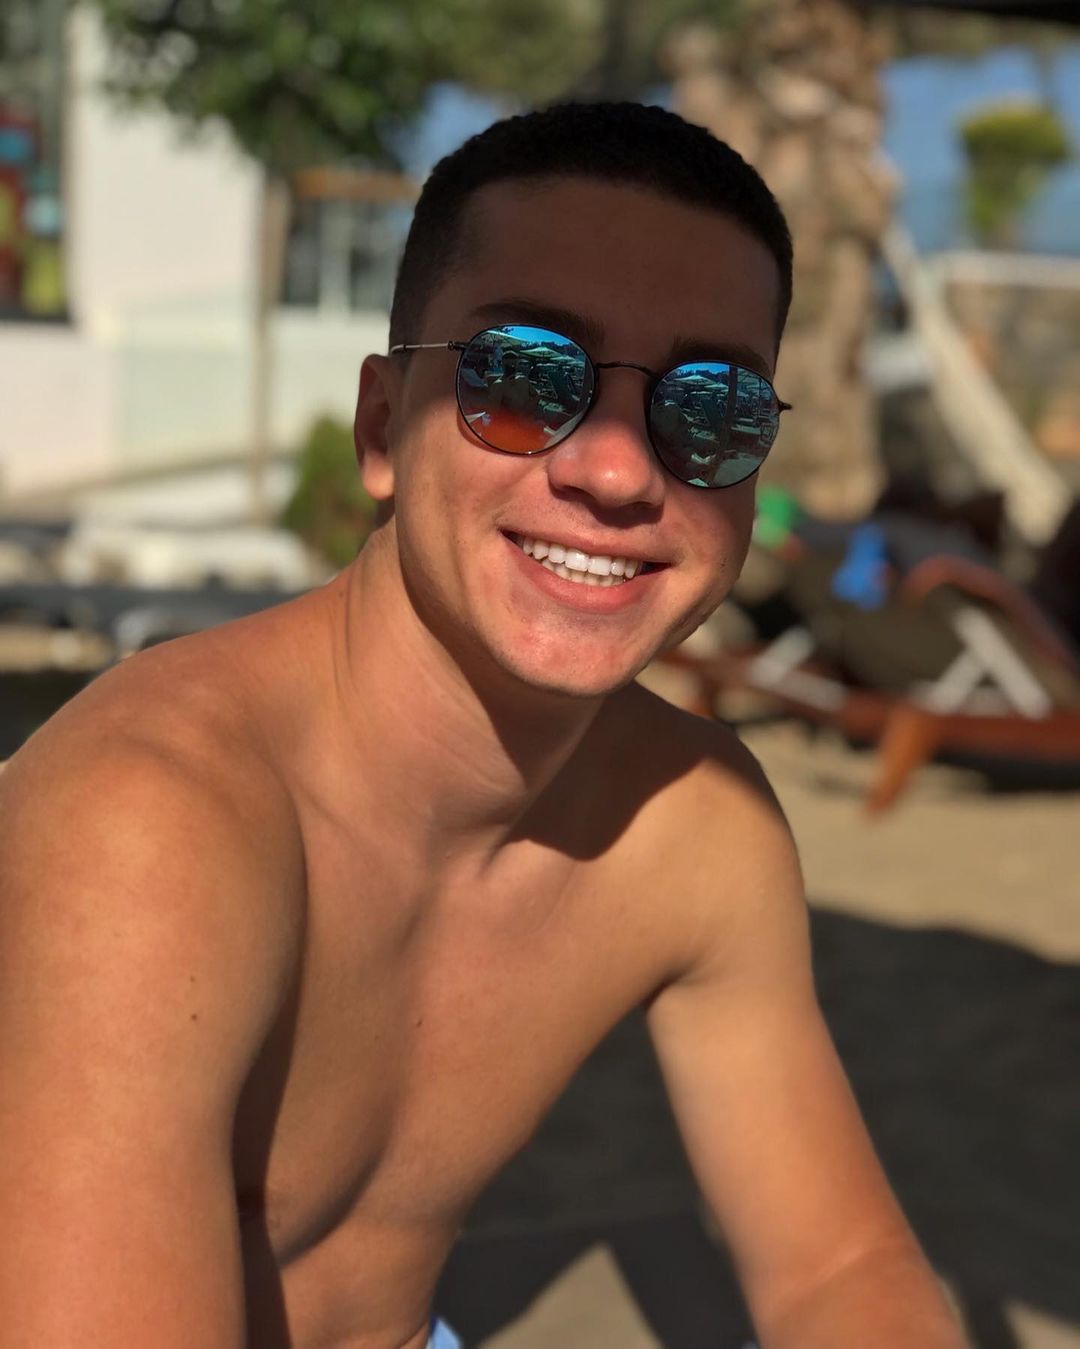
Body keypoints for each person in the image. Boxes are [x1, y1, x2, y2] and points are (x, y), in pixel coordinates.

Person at [0, 103, 967, 1349]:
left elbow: (841, 1270)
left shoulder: (695, 829)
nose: (618, 471)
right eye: (525, 376)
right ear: (380, 428)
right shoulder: (150, 827)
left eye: (709, 409)